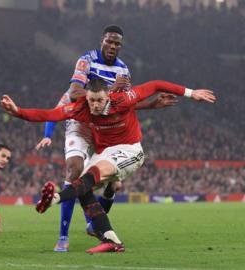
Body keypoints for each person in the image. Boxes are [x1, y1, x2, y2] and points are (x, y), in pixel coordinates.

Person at [1, 79, 215, 252]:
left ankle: (55, 198)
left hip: (130, 150)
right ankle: (111, 239)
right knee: (81, 184)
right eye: (92, 100)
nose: (95, 105)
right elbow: (49, 114)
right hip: (105, 153)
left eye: (99, 100)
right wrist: (17, 111)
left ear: (108, 97)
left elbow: (156, 84)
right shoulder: (81, 107)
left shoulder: (123, 99)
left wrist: (190, 92)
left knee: (93, 173)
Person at [35, 25, 176, 252]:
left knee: (113, 183)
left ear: (121, 46)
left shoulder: (123, 71)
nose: (112, 46)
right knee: (74, 172)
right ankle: (63, 235)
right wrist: (48, 135)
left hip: (104, 127)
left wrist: (152, 104)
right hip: (81, 123)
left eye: (117, 43)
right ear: (102, 40)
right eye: (109, 41)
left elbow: (124, 105)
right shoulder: (87, 60)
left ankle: (96, 225)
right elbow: (73, 93)